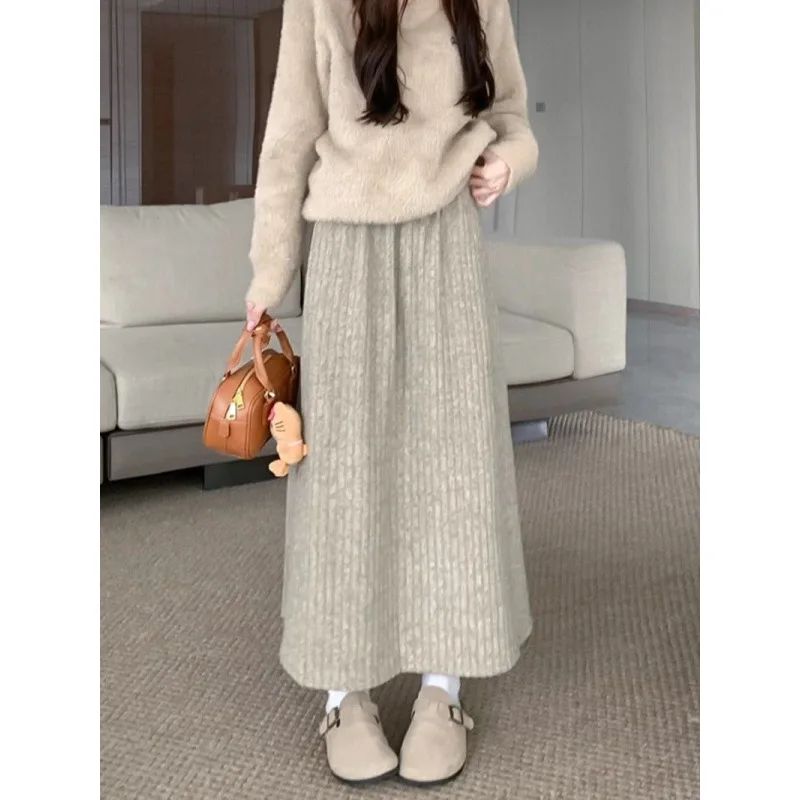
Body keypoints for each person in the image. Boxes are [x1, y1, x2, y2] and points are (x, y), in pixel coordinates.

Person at [244, 0, 538, 786]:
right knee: (342, 476)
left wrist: (510, 162)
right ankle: (345, 695)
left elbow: (511, 115)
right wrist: (269, 275)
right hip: (347, 251)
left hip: (448, 242)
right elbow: (288, 137)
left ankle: (444, 689)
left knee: (455, 468)